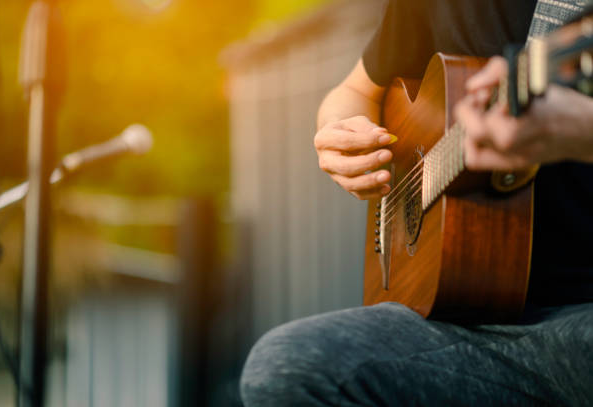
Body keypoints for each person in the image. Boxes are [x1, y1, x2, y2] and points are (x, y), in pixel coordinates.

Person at [240, 1, 593, 405]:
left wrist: (584, 131)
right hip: (468, 320)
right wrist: (340, 132)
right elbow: (355, 89)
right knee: (287, 365)